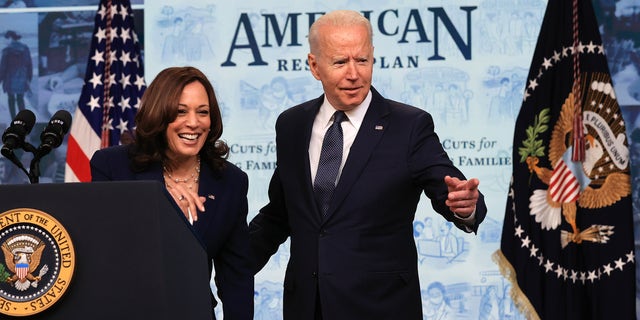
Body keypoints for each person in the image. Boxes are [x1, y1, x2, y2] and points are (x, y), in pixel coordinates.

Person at [248, 10, 487, 320]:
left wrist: (465, 206)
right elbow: (281, 214)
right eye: (339, 62)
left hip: (380, 307)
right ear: (314, 66)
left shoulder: (409, 126)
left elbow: (452, 189)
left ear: (373, 58)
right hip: (307, 307)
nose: (354, 74)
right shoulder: (291, 125)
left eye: (362, 60)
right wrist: (223, 264)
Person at [90, 66, 253, 319]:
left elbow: (236, 275)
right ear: (158, 114)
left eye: (203, 112)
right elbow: (102, 253)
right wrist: (159, 209)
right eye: (180, 112)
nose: (193, 123)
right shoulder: (112, 166)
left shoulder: (230, 181)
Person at [0, 30, 33, 121]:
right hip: (22, 79)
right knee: (20, 99)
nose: (4, 41)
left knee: (11, 99)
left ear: (10, 38)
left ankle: (13, 119)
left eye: (5, 39)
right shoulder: (25, 48)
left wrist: (0, 79)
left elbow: (3, 68)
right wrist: (29, 78)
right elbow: (29, 65)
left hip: (9, 80)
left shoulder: (6, 51)